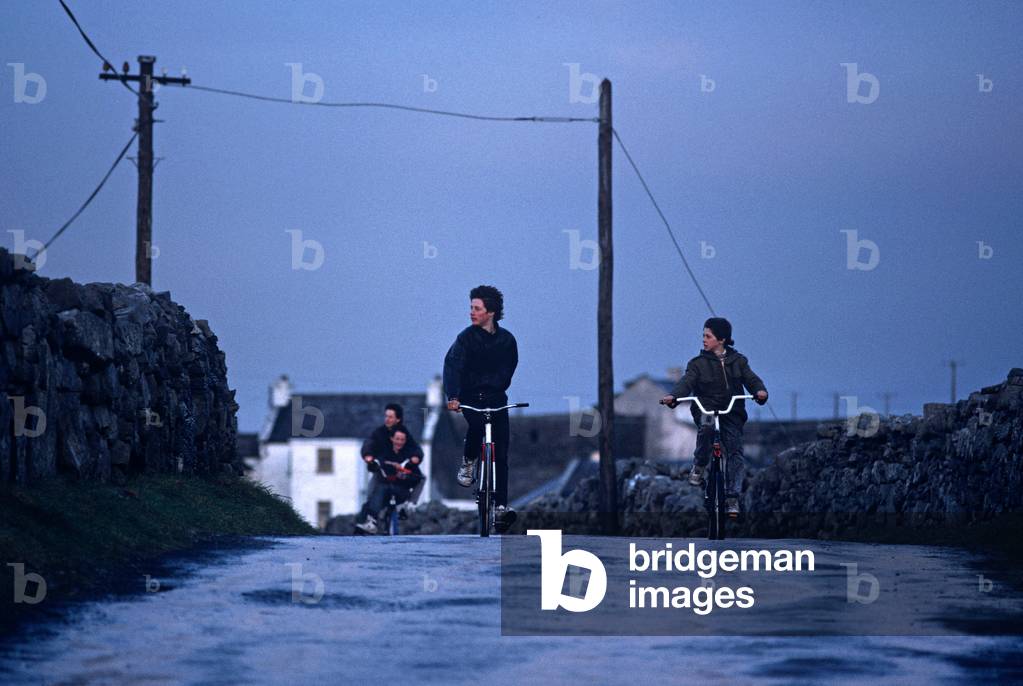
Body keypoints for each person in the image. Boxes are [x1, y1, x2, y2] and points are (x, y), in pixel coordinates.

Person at [660, 317, 768, 516]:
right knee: (707, 428)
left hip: (731, 412)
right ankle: (699, 465)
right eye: (703, 335)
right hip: (706, 409)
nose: (703, 339)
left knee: (734, 450)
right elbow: (686, 382)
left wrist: (760, 391)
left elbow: (752, 380)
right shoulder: (697, 364)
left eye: (708, 336)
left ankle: (732, 498)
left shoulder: (739, 362)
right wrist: (673, 396)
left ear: (722, 339)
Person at [443, 285, 519, 531]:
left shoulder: (507, 340)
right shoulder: (465, 338)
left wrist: (494, 388)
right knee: (476, 425)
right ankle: (468, 460)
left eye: (477, 308)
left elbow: (508, 369)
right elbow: (452, 366)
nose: (471, 312)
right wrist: (453, 396)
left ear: (491, 312)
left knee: (502, 450)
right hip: (470, 397)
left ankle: (500, 507)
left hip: (496, 398)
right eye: (471, 308)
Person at [355, 404, 423, 530]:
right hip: (382, 471)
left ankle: (407, 506)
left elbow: (415, 449)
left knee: (413, 482)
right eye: (386, 416)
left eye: (390, 417)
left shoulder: (403, 434)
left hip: (399, 476)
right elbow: (369, 444)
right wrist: (368, 456)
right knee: (371, 496)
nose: (387, 419)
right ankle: (366, 524)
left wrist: (416, 457)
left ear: (398, 419)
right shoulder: (379, 433)